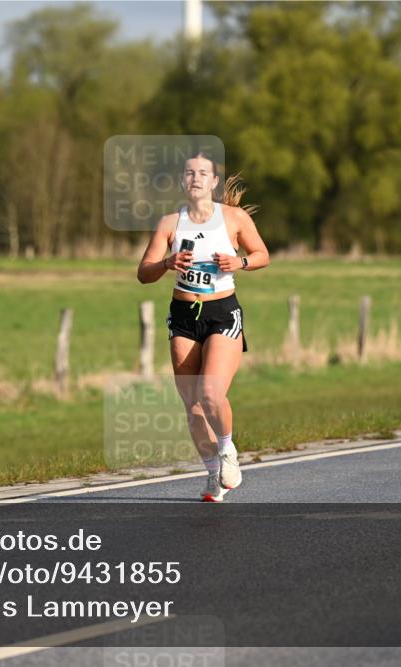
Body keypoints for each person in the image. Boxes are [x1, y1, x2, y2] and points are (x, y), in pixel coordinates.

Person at [136, 152, 270, 502]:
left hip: (222, 313)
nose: (195, 178)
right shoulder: (170, 223)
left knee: (210, 394)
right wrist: (167, 263)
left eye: (203, 173)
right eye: (189, 173)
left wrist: (238, 262)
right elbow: (143, 273)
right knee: (193, 407)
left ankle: (227, 451)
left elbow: (262, 255)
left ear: (213, 182)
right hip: (183, 316)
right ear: (183, 182)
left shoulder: (234, 218)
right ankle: (214, 476)